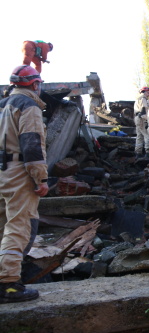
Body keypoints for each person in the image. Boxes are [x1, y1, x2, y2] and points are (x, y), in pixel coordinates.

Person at [0, 65, 49, 303]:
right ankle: (8, 285)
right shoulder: (29, 106)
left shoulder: (3, 104)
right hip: (18, 171)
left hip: (1, 170)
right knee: (19, 225)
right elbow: (31, 144)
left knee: (2, 225)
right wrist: (40, 178)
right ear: (34, 84)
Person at [133, 87, 149, 158]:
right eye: (148, 92)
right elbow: (144, 110)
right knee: (147, 135)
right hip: (142, 118)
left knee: (139, 136)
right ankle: (148, 152)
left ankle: (138, 153)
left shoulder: (137, 99)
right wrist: (148, 121)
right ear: (143, 92)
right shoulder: (143, 99)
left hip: (137, 118)